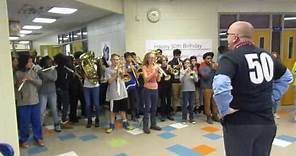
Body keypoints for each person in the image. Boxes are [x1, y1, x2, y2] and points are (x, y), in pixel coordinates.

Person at [213, 21, 293, 156]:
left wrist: (225, 110)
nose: (227, 39)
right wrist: (272, 97)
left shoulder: (230, 57)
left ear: (236, 37)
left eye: (228, 35)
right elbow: (287, 77)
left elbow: (220, 84)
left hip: (240, 123)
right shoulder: (267, 56)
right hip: (267, 122)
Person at [15, 54, 44, 148]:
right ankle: (23, 140)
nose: (31, 64)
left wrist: (30, 79)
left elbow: (40, 83)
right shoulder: (17, 73)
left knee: (37, 121)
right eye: (29, 62)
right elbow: (15, 88)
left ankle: (38, 138)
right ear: (24, 62)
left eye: (32, 61)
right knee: (24, 123)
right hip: (23, 103)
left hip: (35, 101)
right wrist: (19, 82)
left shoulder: (33, 72)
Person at [105, 54, 132, 133]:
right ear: (111, 60)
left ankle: (125, 123)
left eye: (117, 60)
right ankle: (111, 125)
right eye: (114, 59)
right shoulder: (108, 70)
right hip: (114, 93)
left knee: (123, 109)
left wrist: (122, 70)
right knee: (113, 110)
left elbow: (125, 78)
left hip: (122, 92)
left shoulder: (121, 68)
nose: (116, 61)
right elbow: (109, 81)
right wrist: (116, 74)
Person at [38, 56, 61, 132]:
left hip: (52, 93)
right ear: (44, 62)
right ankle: (39, 127)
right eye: (47, 62)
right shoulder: (40, 71)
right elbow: (39, 81)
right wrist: (40, 72)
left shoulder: (54, 71)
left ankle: (57, 125)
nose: (49, 63)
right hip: (42, 93)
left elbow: (54, 79)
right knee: (41, 111)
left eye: (50, 62)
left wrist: (43, 74)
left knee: (54, 109)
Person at [142, 52, 162, 134]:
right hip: (147, 89)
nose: (152, 59)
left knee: (154, 108)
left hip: (155, 89)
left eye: (153, 58)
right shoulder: (144, 67)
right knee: (147, 108)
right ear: (147, 58)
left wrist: (159, 74)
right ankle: (145, 126)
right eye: (150, 58)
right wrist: (154, 72)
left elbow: (158, 80)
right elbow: (146, 79)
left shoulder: (156, 66)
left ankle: (153, 124)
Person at [199, 52, 219, 124]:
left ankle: (215, 115)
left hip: (214, 86)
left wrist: (216, 68)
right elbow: (205, 76)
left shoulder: (214, 65)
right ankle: (208, 116)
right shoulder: (202, 66)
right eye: (208, 58)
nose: (210, 60)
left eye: (210, 58)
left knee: (215, 103)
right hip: (206, 87)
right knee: (207, 103)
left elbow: (218, 74)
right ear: (204, 59)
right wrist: (211, 67)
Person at [180, 58, 198, 123]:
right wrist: (185, 72)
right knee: (184, 105)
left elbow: (196, 80)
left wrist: (192, 73)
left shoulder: (193, 71)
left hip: (192, 89)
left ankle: (191, 118)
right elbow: (181, 80)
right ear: (184, 64)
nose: (187, 64)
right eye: (186, 63)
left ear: (190, 64)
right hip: (185, 90)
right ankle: (184, 118)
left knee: (191, 104)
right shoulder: (182, 71)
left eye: (188, 63)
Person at [168, 49, 182, 113]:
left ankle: (182, 109)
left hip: (181, 81)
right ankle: (174, 109)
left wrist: (182, 67)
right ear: (174, 55)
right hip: (174, 82)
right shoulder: (170, 63)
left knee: (181, 97)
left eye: (179, 55)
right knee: (175, 97)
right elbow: (170, 72)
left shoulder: (181, 62)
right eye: (176, 55)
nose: (178, 57)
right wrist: (176, 67)